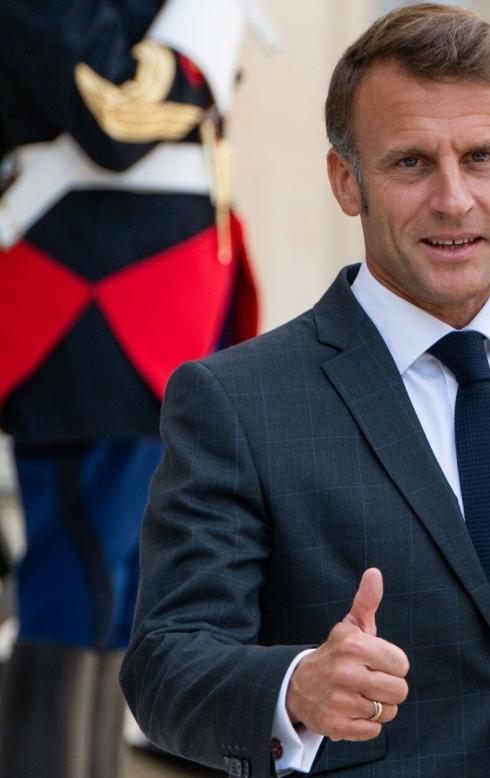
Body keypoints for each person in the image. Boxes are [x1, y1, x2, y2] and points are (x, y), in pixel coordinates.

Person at [120, 4, 490, 776]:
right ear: (346, 181)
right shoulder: (237, 401)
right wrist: (296, 686)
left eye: (481, 157)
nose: (454, 198)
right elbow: (164, 665)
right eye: (410, 163)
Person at [0, 2, 263, 775]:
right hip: (91, 303)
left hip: (159, 295)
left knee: (124, 585)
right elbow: (114, 114)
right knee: (78, 574)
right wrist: (198, 45)